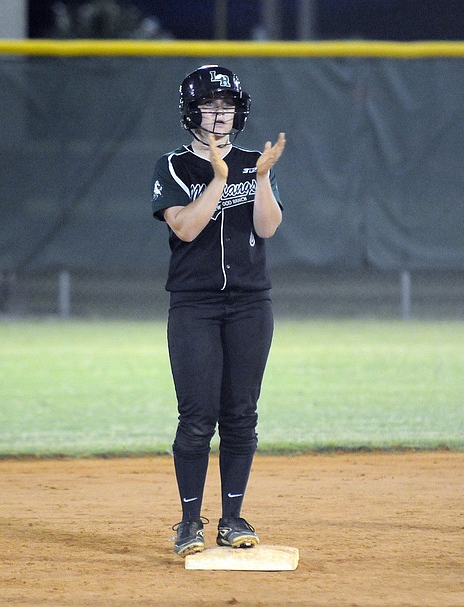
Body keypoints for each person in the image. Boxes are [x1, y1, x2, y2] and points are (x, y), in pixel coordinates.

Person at [150, 65, 286, 557]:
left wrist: (263, 177)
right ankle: (189, 522)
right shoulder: (173, 166)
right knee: (196, 418)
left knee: (241, 415)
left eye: (227, 107)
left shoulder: (255, 161)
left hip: (251, 303)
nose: (221, 114)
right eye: (211, 106)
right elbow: (185, 228)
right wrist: (218, 181)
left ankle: (232, 518)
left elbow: (268, 228)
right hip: (195, 305)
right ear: (193, 112)